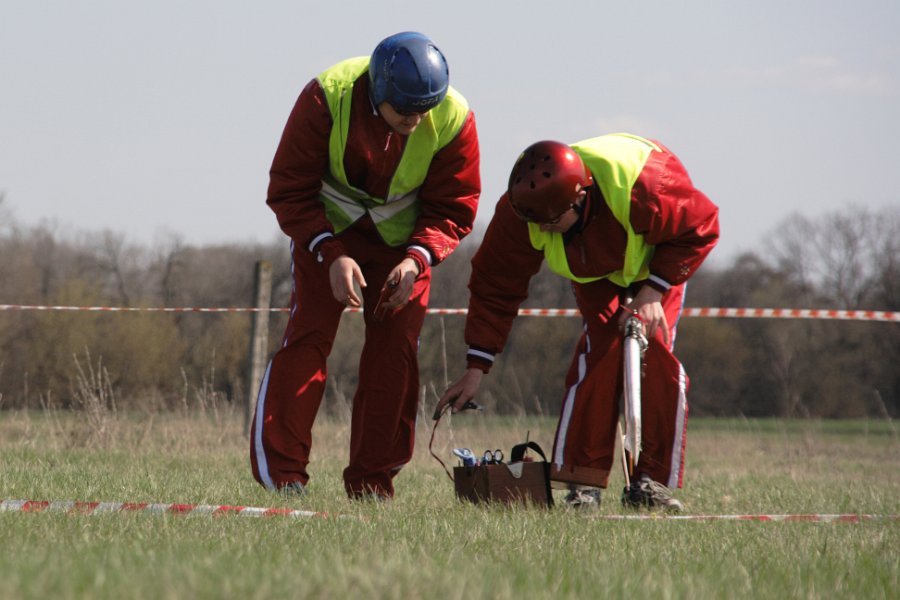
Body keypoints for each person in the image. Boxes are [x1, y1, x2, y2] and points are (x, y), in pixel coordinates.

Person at [252, 32, 481, 500]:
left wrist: (418, 259)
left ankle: (373, 484)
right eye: (404, 113)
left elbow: (454, 208)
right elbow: (288, 188)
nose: (415, 122)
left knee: (394, 355)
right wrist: (329, 253)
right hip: (326, 237)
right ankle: (284, 478)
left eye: (424, 112)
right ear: (377, 95)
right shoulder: (326, 96)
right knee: (307, 342)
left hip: (406, 252)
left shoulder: (455, 116)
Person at [435, 134, 718, 511]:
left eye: (553, 222)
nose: (544, 229)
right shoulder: (522, 211)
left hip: (659, 259)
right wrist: (476, 366)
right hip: (595, 272)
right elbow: (495, 285)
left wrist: (654, 290)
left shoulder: (648, 187)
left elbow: (701, 227)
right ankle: (582, 485)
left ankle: (650, 484)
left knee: (655, 357)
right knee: (600, 354)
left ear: (580, 198)